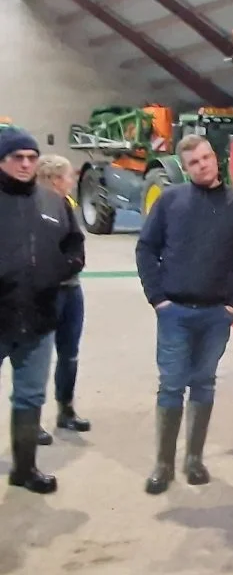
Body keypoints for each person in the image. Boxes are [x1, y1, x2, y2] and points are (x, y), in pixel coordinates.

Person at [135, 134, 233, 495]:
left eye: (206, 157)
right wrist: (157, 297)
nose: (203, 165)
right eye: (194, 162)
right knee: (172, 385)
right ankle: (163, 463)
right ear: (185, 168)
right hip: (174, 312)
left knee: (204, 383)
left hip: (215, 315)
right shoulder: (170, 202)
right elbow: (146, 248)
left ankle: (193, 459)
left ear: (215, 158)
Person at [0, 128, 85, 494]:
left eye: (31, 157)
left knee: (31, 395)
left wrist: (57, 271)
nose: (25, 164)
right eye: (16, 157)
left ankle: (24, 468)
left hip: (39, 317)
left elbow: (75, 246)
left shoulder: (54, 203)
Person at [35, 154, 92, 444]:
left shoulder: (67, 206)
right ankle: (31, 421)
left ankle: (65, 410)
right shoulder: (31, 209)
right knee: (39, 357)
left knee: (69, 353)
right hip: (46, 292)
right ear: (55, 179)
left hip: (71, 290)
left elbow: (76, 246)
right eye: (69, 176)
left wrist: (72, 264)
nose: (72, 181)